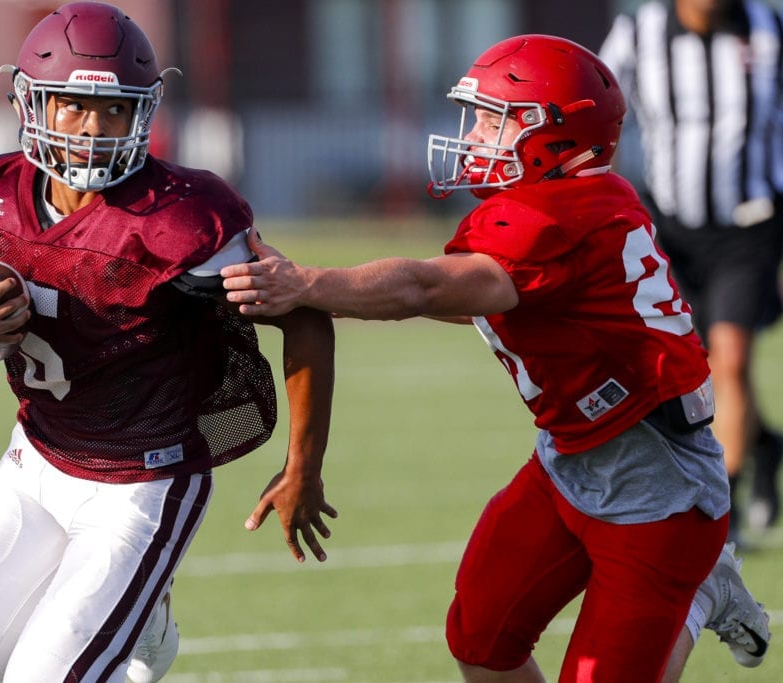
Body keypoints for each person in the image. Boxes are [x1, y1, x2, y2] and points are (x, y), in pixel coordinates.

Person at [221, 34, 769, 682]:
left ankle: (701, 586)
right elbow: (476, 298)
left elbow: (426, 286)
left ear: (554, 133)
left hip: (659, 484)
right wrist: (328, 292)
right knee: (479, 639)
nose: (475, 134)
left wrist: (310, 283)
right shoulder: (580, 199)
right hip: (571, 455)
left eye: (494, 118)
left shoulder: (555, 217)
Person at [0, 3, 336, 681]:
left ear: (145, 110)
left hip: (145, 479)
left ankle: (143, 613)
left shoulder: (178, 219)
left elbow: (303, 313)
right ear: (31, 101)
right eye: (73, 106)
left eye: (114, 110)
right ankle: (145, 616)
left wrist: (303, 463)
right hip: (35, 464)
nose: (93, 128)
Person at [599, 0, 783, 544]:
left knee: (730, 358)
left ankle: (719, 511)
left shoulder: (771, 28)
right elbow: (594, 102)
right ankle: (766, 445)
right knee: (693, 368)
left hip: (750, 223)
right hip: (670, 229)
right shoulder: (639, 32)